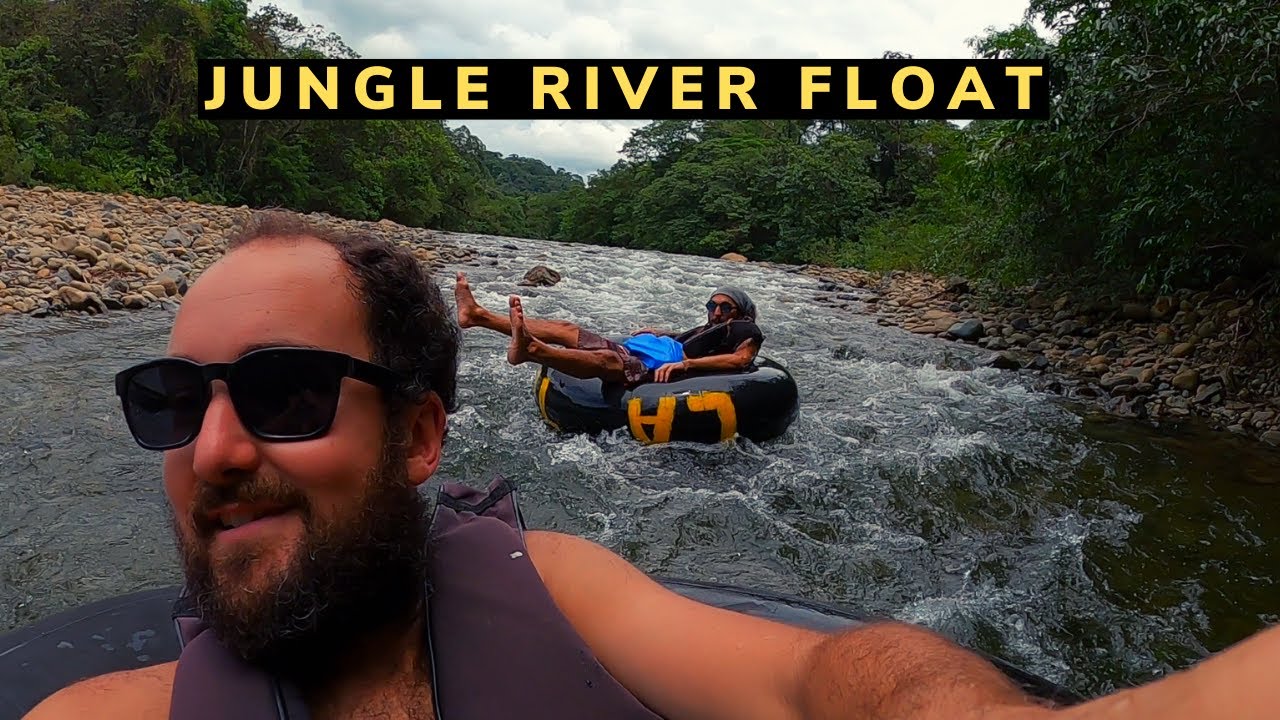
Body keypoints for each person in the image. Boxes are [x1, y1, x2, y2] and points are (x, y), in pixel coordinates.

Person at [22, 211, 1280, 720]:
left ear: (417, 439)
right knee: (586, 350)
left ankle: (494, 328)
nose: (217, 447)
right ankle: (497, 327)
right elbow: (621, 360)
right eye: (171, 400)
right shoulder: (109, 714)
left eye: (288, 393)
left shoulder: (553, 588)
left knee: (593, 356)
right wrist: (604, 359)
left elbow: (813, 674)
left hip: (643, 379)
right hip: (627, 366)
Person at [454, 271, 764, 384]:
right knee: (566, 328)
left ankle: (532, 349)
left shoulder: (743, 329)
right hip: (645, 351)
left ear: (741, 313)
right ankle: (478, 316)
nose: (717, 312)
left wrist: (687, 365)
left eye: (726, 307)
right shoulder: (706, 329)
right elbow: (680, 340)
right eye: (712, 306)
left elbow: (741, 360)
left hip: (651, 367)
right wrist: (654, 333)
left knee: (610, 363)